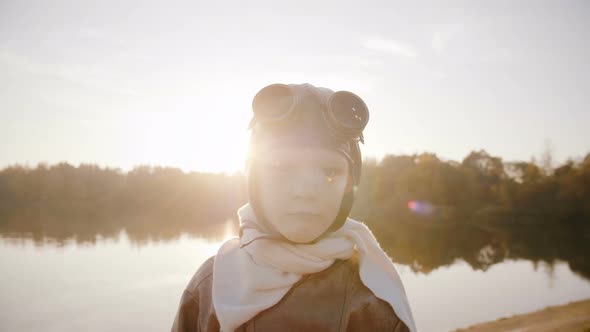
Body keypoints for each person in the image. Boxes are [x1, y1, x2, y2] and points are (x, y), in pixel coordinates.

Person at [171, 83, 417, 332]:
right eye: (281, 168)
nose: (305, 191)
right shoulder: (210, 285)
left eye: (329, 171)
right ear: (255, 180)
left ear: (349, 185)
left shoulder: (372, 298)